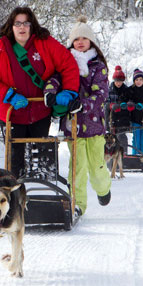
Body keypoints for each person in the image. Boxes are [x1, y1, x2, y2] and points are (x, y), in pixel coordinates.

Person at [0, 7, 80, 177]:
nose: (22, 27)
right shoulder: (0, 50)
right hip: (12, 113)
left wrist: (69, 91)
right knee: (15, 162)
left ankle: (40, 198)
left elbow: (68, 64)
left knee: (41, 159)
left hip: (40, 111)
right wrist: (8, 95)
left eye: (26, 23)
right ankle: (15, 198)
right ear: (11, 27)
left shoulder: (45, 43)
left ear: (32, 26)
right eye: (17, 23)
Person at [45, 17, 109, 215]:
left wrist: (82, 104)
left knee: (96, 168)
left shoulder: (98, 66)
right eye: (76, 39)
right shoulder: (65, 62)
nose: (80, 42)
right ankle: (77, 204)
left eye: (84, 38)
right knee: (77, 167)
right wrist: (50, 92)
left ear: (91, 42)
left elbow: (101, 94)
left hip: (95, 126)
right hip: (73, 126)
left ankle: (103, 188)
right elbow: (54, 78)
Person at [107, 65, 131, 154]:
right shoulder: (109, 90)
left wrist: (124, 106)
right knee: (110, 138)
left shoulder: (126, 90)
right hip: (111, 117)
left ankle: (124, 155)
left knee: (122, 136)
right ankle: (111, 156)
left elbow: (129, 101)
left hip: (122, 117)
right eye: (117, 81)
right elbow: (106, 102)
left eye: (120, 81)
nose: (118, 83)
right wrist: (110, 105)